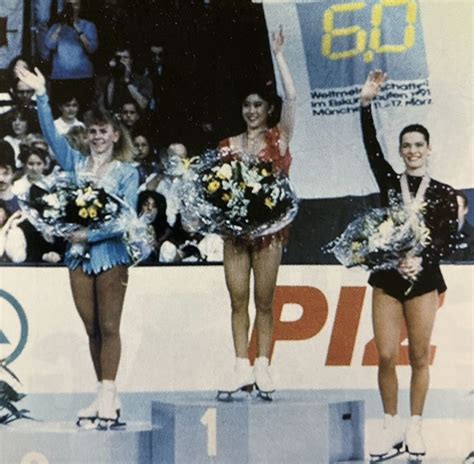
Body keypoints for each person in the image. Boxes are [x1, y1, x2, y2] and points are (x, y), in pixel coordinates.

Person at [17, 65, 139, 429]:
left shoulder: (127, 172)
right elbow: (52, 139)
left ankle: (109, 394)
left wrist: (91, 236)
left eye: (103, 131)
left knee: (110, 326)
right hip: (76, 257)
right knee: (92, 330)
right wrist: (41, 95)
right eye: (92, 132)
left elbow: (126, 220)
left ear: (116, 135)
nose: (97, 136)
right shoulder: (75, 164)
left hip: (110, 255)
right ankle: (103, 395)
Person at [359, 70, 458, 459]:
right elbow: (370, 147)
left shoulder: (444, 194)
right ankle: (390, 426)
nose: (413, 150)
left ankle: (415, 427)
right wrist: (365, 104)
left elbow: (447, 240)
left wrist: (419, 260)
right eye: (407, 145)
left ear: (428, 149)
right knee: (385, 355)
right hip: (387, 276)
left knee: (418, 356)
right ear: (400, 151)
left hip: (423, 279)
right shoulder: (388, 181)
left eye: (419, 144)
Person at [216, 26, 296, 400]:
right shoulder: (226, 145)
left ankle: (263, 364)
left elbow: (293, 98)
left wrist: (279, 56)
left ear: (268, 110)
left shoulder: (278, 139)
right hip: (234, 235)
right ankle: (239, 366)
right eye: (247, 106)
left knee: (264, 301)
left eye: (258, 106)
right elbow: (215, 190)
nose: (251, 112)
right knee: (236, 300)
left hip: (268, 234)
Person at [45, 0, 98, 110]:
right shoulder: (56, 27)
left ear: (80, 7)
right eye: (69, 5)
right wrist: (61, 25)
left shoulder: (88, 25)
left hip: (83, 76)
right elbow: (49, 45)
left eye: (75, 4)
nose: (72, 8)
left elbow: (92, 48)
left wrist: (76, 26)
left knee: (84, 111)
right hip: (60, 77)